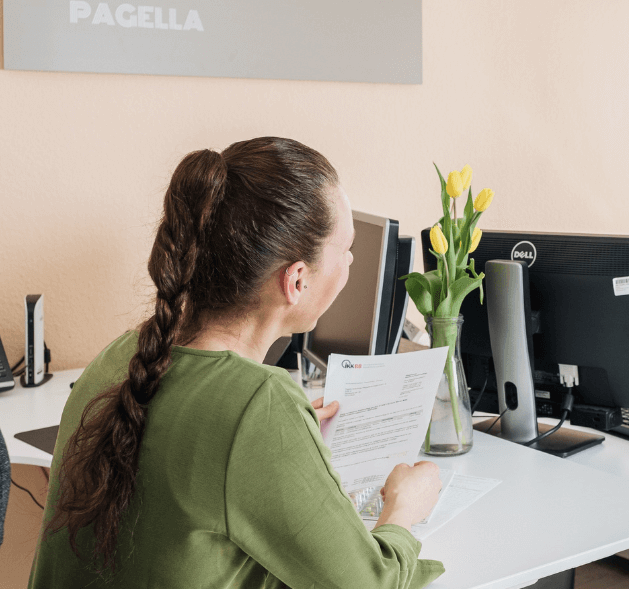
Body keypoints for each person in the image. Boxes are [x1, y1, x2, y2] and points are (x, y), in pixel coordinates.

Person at [29, 137, 445, 588]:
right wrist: (402, 510)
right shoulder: (257, 406)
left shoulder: (123, 354)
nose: (349, 263)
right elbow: (368, 584)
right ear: (297, 281)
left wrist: (289, 447)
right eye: (346, 250)